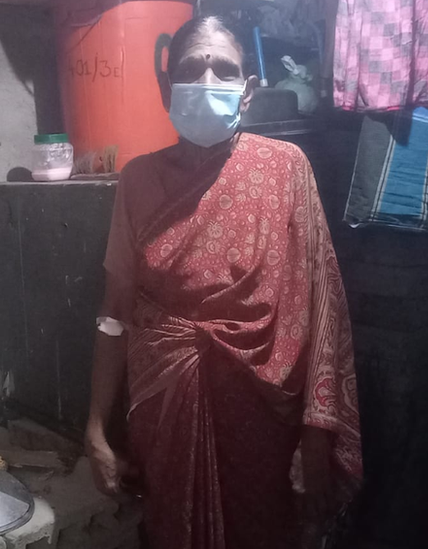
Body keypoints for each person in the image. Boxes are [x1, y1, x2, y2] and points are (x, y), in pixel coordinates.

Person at [84, 14, 363, 549]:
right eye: (191, 69)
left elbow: (319, 305)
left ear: (249, 90)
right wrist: (96, 429)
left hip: (263, 415)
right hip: (165, 406)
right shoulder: (138, 179)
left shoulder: (286, 168)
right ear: (167, 86)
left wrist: (315, 433)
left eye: (225, 71)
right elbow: (113, 310)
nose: (208, 83)